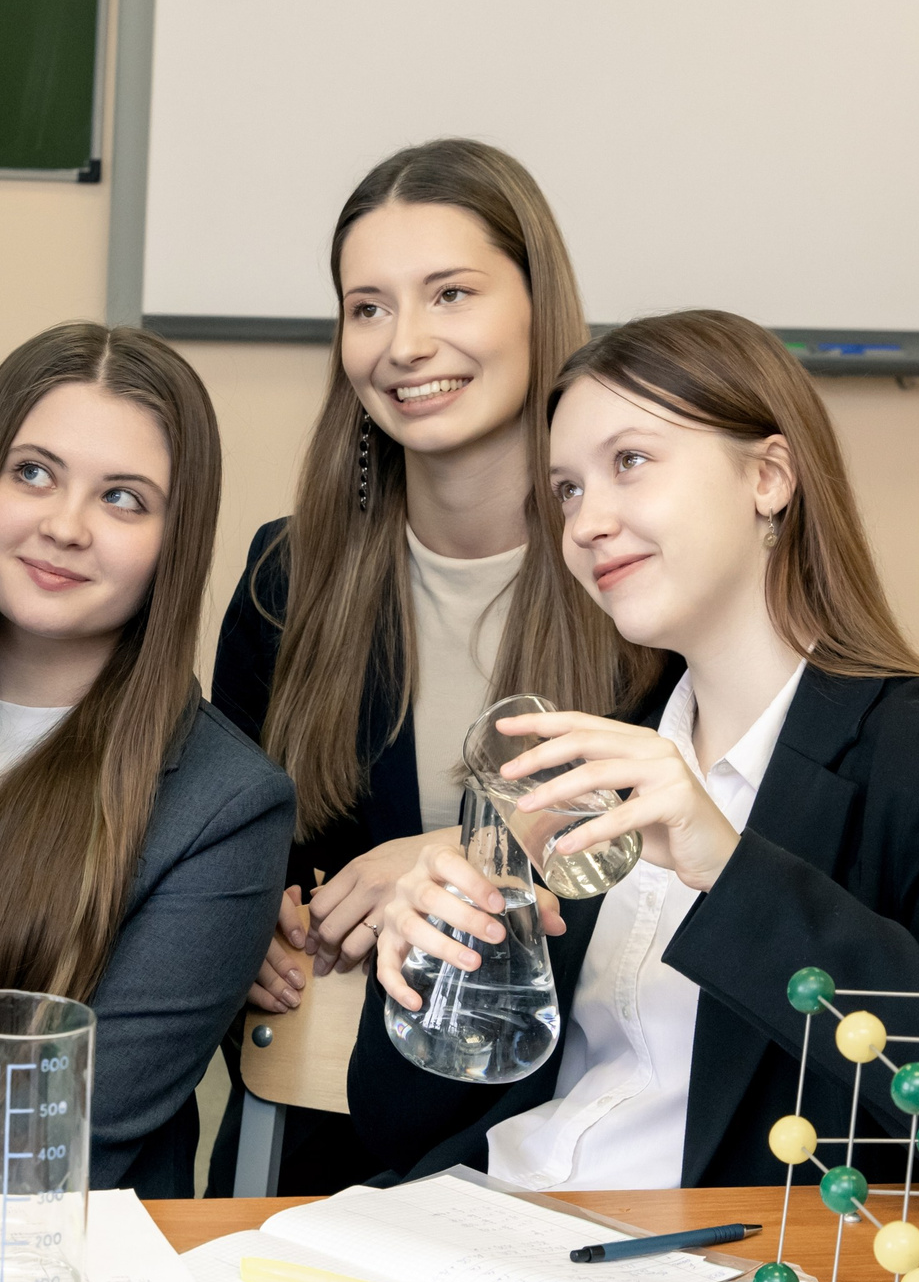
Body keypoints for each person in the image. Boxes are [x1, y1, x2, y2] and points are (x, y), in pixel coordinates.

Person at [352, 310, 919, 1199]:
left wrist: (733, 868)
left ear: (769, 477)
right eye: (567, 490)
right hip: (485, 1225)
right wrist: (425, 970)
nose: (587, 522)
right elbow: (398, 1120)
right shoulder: (589, 757)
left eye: (629, 462)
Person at [206, 140, 634, 1192]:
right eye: (367, 307)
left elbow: (679, 871)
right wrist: (242, 919)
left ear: (539, 307)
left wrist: (465, 851)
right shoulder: (287, 576)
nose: (404, 344)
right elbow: (244, 846)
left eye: (450, 294)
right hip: (325, 1162)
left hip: (579, 1157)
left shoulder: (637, 577)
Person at [0, 323, 295, 1197]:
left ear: (172, 542)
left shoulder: (226, 808)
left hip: (9, 1274)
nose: (65, 526)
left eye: (123, 499)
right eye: (33, 472)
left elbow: (55, 1154)